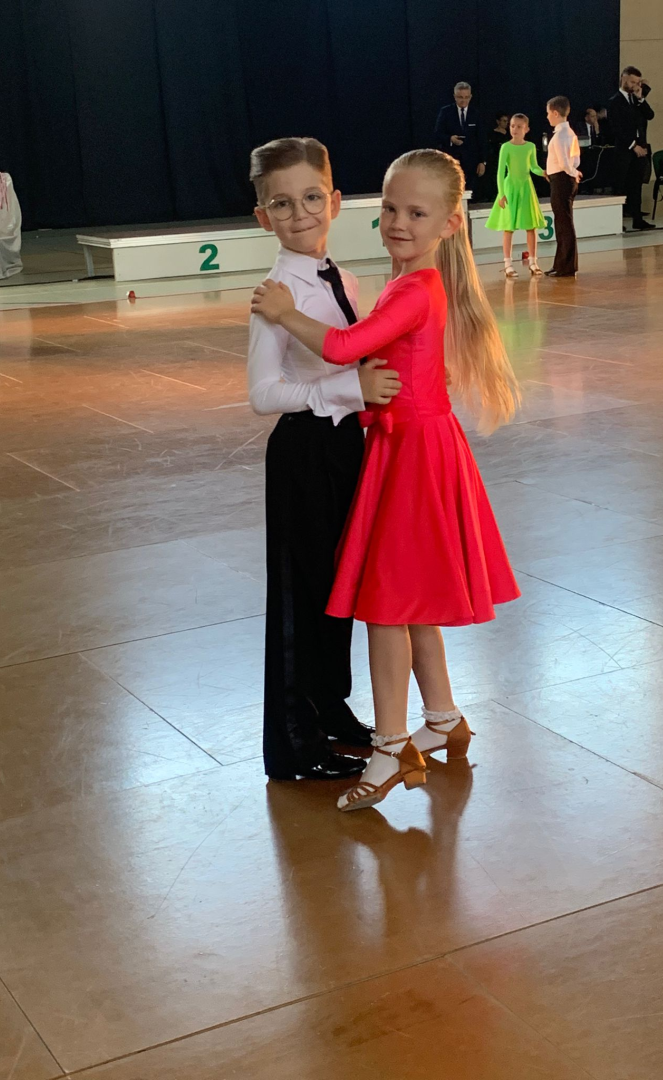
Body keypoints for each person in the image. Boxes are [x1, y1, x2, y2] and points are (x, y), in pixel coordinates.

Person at [251, 148, 521, 812]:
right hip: (390, 446)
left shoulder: (400, 287)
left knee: (385, 603)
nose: (399, 223)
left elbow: (347, 349)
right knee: (402, 597)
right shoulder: (404, 284)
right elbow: (289, 385)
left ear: (449, 223)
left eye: (416, 213)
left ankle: (391, 745)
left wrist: (288, 315)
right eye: (392, 209)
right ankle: (441, 717)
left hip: (406, 453)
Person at [248, 137, 403, 782]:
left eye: (312, 197)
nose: (300, 214)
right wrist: (344, 390)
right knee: (303, 592)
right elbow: (263, 394)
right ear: (263, 217)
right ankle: (294, 740)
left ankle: (331, 709)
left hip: (345, 447)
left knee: (342, 584)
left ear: (335, 202)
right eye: (282, 204)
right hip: (303, 452)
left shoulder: (347, 280)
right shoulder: (275, 294)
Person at [485, 113, 546, 278]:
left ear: (526, 129)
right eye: (512, 126)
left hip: (526, 187)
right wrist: (501, 194)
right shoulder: (506, 147)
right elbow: (500, 172)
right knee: (509, 226)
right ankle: (508, 264)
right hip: (510, 187)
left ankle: (533, 262)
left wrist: (543, 172)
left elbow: (533, 167)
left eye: (519, 126)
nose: (515, 129)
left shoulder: (530, 146)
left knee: (530, 226)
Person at [608, 66, 656, 230]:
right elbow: (616, 128)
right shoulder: (615, 101)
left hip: (640, 148)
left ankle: (637, 219)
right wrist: (633, 145)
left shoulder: (636, 100)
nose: (636, 85)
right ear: (624, 79)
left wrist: (641, 99)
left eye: (638, 82)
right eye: (633, 82)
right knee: (620, 185)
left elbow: (650, 115)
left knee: (636, 184)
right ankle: (616, 221)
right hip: (624, 149)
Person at [544, 96, 581, 278]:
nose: (547, 117)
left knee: (564, 223)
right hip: (564, 179)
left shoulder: (560, 136)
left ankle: (566, 266)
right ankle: (560, 264)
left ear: (556, 113)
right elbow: (576, 159)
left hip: (562, 180)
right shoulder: (570, 133)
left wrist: (573, 172)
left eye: (548, 113)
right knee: (562, 222)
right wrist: (574, 171)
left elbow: (565, 163)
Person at [435, 82, 487, 194]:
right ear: (454, 96)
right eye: (460, 97)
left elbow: (482, 139)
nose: (463, 101)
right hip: (451, 160)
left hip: (471, 162)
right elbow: (438, 133)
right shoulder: (446, 112)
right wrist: (450, 139)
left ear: (470, 97)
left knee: (470, 192)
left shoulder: (476, 114)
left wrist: (482, 161)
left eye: (466, 97)